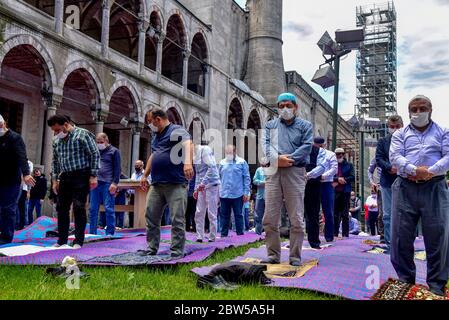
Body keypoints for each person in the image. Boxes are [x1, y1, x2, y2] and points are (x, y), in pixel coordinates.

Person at [390, 95, 449, 296]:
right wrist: (415, 170)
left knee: (438, 235)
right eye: (413, 109)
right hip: (406, 186)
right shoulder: (400, 134)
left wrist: (429, 171)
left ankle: (436, 285)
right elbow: (395, 156)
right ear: (408, 112)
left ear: (430, 109)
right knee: (400, 236)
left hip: (435, 187)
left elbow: (448, 156)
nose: (417, 113)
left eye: (422, 108)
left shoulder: (443, 132)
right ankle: (405, 280)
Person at [262, 92, 312, 266]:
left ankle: (295, 256)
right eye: (281, 106)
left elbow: (306, 146)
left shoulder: (305, 126)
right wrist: (277, 160)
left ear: (295, 107)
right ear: (277, 107)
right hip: (274, 171)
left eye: (288, 105)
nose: (285, 109)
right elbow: (266, 146)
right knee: (269, 217)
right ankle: (273, 255)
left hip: (295, 172)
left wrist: (287, 159)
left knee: (296, 217)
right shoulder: (270, 126)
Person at [141, 108, 193, 258]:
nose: (149, 125)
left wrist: (187, 163)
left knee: (177, 218)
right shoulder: (156, 136)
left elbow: (188, 144)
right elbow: (154, 154)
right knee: (150, 216)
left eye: (150, 122)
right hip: (157, 184)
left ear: (158, 119)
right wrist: (145, 174)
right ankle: (151, 248)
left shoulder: (176, 130)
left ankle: (176, 251)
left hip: (175, 183)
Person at [48, 114, 100, 248]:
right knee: (62, 207)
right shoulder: (56, 141)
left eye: (57, 130)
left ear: (66, 125)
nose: (55, 133)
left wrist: (93, 175)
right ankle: (62, 240)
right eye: (54, 130)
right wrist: (54, 180)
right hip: (65, 176)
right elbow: (55, 162)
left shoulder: (82, 135)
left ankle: (78, 240)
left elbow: (94, 154)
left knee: (78, 206)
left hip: (81, 174)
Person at [0, 114, 35, 244]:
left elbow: (22, 157)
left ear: (4, 124)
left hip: (11, 181)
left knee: (8, 209)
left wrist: (26, 174)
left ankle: (6, 237)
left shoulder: (15, 138)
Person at [376, 115, 403, 251]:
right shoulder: (383, 141)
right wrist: (389, 167)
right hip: (387, 181)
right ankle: (389, 243)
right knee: (387, 214)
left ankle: (403, 242)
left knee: (404, 212)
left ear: (402, 126)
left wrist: (401, 167)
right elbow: (379, 158)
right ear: (388, 127)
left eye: (397, 126)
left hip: (404, 180)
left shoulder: (407, 140)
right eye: (392, 127)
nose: (394, 129)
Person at [306, 137, 337, 245]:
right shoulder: (310, 153)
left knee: (327, 210)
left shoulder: (330, 154)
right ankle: (310, 233)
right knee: (312, 210)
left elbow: (334, 168)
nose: (317, 148)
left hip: (325, 183)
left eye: (319, 146)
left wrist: (323, 176)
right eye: (315, 145)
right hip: (313, 182)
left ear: (323, 145)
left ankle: (329, 235)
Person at [88, 133, 121, 235]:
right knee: (93, 209)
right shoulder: (95, 151)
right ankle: (92, 232)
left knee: (108, 208)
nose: (99, 144)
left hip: (108, 183)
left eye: (101, 142)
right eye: (97, 142)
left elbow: (117, 169)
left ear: (107, 141)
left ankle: (110, 232)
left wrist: (114, 183)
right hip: (96, 183)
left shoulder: (114, 151)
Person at [219, 145, 251, 237]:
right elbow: (219, 178)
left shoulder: (242, 162)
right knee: (224, 216)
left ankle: (240, 236)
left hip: (238, 194)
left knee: (238, 215)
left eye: (230, 152)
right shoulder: (222, 163)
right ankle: (223, 235)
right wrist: (218, 193)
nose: (228, 154)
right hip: (224, 194)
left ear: (234, 152)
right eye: (227, 153)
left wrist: (246, 192)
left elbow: (247, 178)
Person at [193, 143, 220, 242]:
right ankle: (199, 236)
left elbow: (211, 167)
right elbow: (198, 173)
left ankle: (212, 237)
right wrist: (196, 189)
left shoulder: (205, 150)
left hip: (212, 184)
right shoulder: (195, 156)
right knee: (199, 211)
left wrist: (203, 183)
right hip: (201, 186)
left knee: (211, 212)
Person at [333, 148, 355, 238]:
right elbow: (329, 175)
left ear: (344, 154)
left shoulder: (349, 165)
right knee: (335, 213)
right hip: (335, 191)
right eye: (338, 154)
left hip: (345, 191)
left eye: (341, 154)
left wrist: (343, 179)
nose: (339, 155)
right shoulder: (332, 164)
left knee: (345, 213)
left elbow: (352, 177)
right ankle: (335, 233)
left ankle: (345, 234)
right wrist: (337, 179)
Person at [368, 157, 384, 242]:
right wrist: (371, 182)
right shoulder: (377, 158)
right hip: (381, 187)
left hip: (395, 186)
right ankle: (383, 236)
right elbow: (370, 170)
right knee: (382, 213)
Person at [253, 159, 268, 235]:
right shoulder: (259, 170)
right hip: (260, 195)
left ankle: (268, 232)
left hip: (269, 196)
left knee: (269, 214)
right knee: (258, 214)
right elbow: (254, 180)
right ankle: (258, 233)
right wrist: (262, 182)